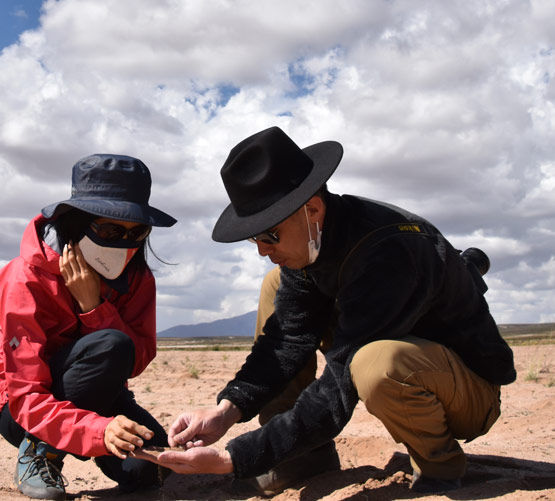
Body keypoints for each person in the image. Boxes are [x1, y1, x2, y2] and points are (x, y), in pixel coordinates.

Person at [154, 127, 516, 495]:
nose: (262, 249)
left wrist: (236, 458)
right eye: (255, 237)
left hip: (468, 395)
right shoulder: (316, 241)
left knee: (375, 363)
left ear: (312, 208)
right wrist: (227, 411)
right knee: (275, 284)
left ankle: (440, 468)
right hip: (410, 365)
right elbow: (285, 342)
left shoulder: (388, 251)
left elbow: (338, 388)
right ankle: (299, 460)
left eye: (269, 234)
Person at [0, 154, 177, 500]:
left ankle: (73, 440)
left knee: (150, 468)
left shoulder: (137, 278)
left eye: (137, 231)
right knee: (111, 344)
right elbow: (26, 394)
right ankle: (39, 453)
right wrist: (99, 430)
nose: (125, 243)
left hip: (101, 393)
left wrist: (94, 306)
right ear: (77, 222)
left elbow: (136, 359)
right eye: (110, 230)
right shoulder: (25, 279)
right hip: (21, 410)